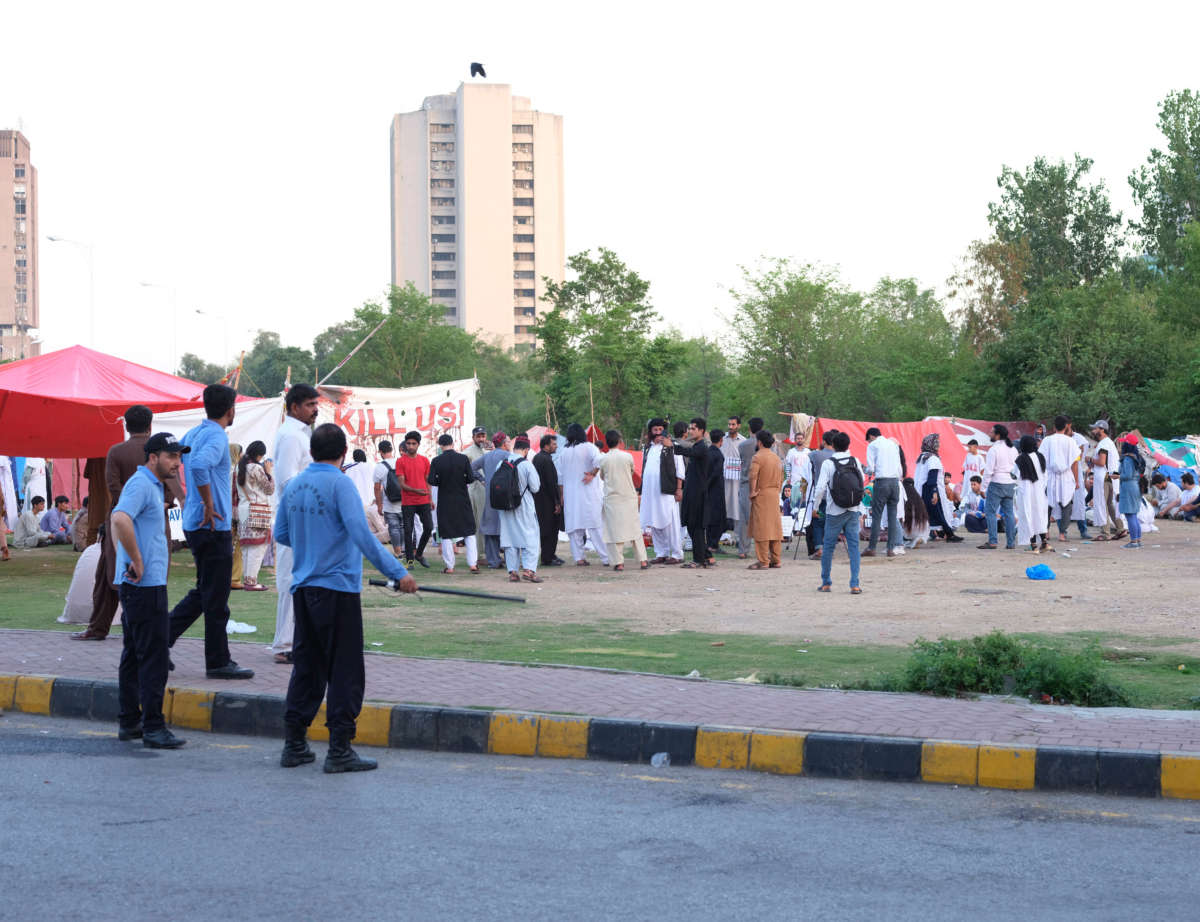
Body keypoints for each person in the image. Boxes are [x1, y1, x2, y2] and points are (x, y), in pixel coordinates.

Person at [275, 423, 417, 773]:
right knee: (345, 670)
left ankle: (294, 744)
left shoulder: (293, 486)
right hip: (337, 590)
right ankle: (339, 749)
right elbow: (364, 538)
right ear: (342, 453)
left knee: (307, 668)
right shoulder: (341, 484)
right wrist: (398, 573)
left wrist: (313, 547)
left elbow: (281, 533)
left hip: (304, 590)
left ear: (312, 450)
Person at [167, 384, 253, 680]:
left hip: (197, 523)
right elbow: (201, 465)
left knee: (207, 592)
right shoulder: (216, 436)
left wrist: (183, 495)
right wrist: (206, 501)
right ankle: (217, 661)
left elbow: (173, 461)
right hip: (212, 525)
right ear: (231, 410)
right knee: (215, 598)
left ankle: (159, 642)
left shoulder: (193, 434)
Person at [75, 406, 183, 641]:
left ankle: (99, 628)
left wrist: (132, 507)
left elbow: (113, 487)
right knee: (155, 578)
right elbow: (174, 488)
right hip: (155, 520)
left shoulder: (117, 452)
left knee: (110, 577)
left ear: (125, 425)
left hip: (121, 519)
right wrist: (159, 504)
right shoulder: (162, 454)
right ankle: (153, 634)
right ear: (150, 425)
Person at [112, 433, 190, 750]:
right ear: (153, 457)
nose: (177, 462)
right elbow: (119, 518)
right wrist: (138, 560)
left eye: (179, 456)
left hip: (141, 586)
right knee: (154, 658)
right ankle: (153, 727)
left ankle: (130, 722)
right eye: (171, 456)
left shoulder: (151, 485)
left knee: (134, 654)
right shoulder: (141, 484)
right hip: (144, 586)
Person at [272, 383, 319, 664]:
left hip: (305, 514)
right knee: (291, 579)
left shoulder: (301, 433)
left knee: (302, 578)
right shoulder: (291, 435)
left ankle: (296, 640)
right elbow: (286, 482)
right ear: (294, 407)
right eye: (310, 405)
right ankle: (284, 644)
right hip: (295, 515)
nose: (315, 409)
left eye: (316, 404)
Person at [811, 431, 864, 592]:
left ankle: (826, 581)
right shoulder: (855, 461)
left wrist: (815, 507)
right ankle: (854, 584)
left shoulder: (829, 463)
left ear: (833, 445)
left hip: (834, 510)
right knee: (854, 547)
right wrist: (860, 508)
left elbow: (820, 488)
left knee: (828, 547)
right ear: (848, 445)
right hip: (853, 509)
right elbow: (861, 483)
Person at [558, 423, 610, 567]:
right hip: (588, 494)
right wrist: (592, 474)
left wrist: (562, 495)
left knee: (574, 528)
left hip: (571, 495)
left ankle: (579, 558)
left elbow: (560, 477)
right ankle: (606, 558)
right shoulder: (590, 447)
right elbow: (600, 462)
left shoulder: (564, 452)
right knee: (595, 526)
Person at [427, 433, 479, 574]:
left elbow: (431, 480)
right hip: (462, 499)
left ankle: (450, 566)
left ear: (441, 445)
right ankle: (473, 564)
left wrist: (441, 481)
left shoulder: (436, 461)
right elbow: (470, 478)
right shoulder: (463, 459)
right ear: (453, 443)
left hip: (445, 500)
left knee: (446, 533)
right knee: (469, 531)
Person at [598, 430, 647, 571]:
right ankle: (643, 560)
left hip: (612, 498)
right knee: (635, 530)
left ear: (607, 443)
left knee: (614, 531)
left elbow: (602, 477)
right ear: (620, 441)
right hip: (628, 497)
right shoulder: (628, 456)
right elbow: (631, 472)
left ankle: (619, 563)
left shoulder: (603, 459)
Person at [498, 435, 543, 583]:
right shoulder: (526, 465)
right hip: (523, 506)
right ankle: (529, 570)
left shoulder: (502, 463)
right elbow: (535, 488)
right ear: (526, 450)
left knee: (510, 538)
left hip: (504, 506)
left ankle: (513, 572)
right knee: (530, 537)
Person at [639, 418, 684, 565]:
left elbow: (680, 470)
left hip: (667, 491)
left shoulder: (673, 446)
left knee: (670, 522)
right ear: (650, 432)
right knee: (654, 521)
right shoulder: (648, 448)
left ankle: (677, 554)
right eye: (655, 430)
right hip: (650, 492)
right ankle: (661, 553)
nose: (658, 433)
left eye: (660, 430)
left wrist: (679, 489)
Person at [236, 440, 274, 591]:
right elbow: (269, 489)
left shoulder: (240, 467)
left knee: (247, 546)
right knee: (258, 547)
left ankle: (248, 580)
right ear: (260, 455)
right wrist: (269, 472)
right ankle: (251, 581)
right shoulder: (256, 468)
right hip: (258, 509)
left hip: (244, 508)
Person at [676, 418, 714, 569]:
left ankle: (698, 560)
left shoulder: (702, 447)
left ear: (702, 431)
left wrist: (673, 446)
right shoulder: (697, 446)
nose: (690, 431)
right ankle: (706, 556)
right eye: (689, 428)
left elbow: (688, 451)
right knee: (692, 526)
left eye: (693, 428)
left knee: (696, 526)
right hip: (692, 491)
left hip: (698, 493)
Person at [471, 431, 510, 569]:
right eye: (509, 442)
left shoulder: (487, 456)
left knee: (490, 529)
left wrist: (483, 479)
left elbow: (471, 468)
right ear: (504, 443)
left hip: (490, 496)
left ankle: (493, 561)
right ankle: (510, 560)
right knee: (508, 528)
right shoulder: (508, 456)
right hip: (506, 497)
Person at [747, 429, 784, 570]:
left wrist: (752, 491)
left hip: (761, 494)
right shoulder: (776, 458)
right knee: (774, 527)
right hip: (774, 494)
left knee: (761, 528)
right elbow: (781, 478)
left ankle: (763, 561)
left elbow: (753, 476)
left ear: (759, 442)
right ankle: (776, 559)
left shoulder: (757, 457)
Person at [863, 427, 903, 558]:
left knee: (876, 516)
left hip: (882, 482)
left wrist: (866, 471)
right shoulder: (893, 444)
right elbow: (899, 466)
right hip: (895, 482)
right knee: (892, 517)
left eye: (868, 440)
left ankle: (872, 547)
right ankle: (890, 549)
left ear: (871, 436)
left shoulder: (873, 445)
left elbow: (870, 468)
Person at [979, 424, 1019, 550]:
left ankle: (993, 541)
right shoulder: (1013, 449)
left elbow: (989, 471)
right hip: (1010, 483)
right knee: (1009, 513)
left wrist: (983, 488)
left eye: (991, 432)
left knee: (990, 512)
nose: (989, 434)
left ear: (997, 435)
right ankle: (1011, 543)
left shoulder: (994, 450)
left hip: (997, 482)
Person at [915, 434, 960, 542]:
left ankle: (948, 534)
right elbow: (932, 477)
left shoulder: (922, 457)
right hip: (931, 489)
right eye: (937, 442)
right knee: (938, 513)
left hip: (924, 489)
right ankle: (948, 534)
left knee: (933, 513)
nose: (938, 444)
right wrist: (934, 493)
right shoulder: (932, 459)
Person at [1040, 415, 1079, 542]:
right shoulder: (1071, 441)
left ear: (1054, 426)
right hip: (1066, 476)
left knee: (1047, 505)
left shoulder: (1047, 440)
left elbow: (1041, 459)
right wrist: (1077, 480)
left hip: (1050, 475)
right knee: (1066, 505)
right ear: (1066, 426)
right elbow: (1074, 463)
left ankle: (1045, 532)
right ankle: (1062, 533)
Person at [1089, 420, 1125, 541]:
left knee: (1102, 504)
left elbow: (1101, 462)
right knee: (1109, 504)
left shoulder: (1104, 444)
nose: (1093, 431)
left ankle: (1105, 532)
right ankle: (1120, 528)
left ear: (1102, 429)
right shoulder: (1109, 442)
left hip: (1103, 477)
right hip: (1110, 477)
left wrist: (1090, 459)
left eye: (1095, 429)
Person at [532, 434, 564, 566]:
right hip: (548, 501)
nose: (556, 446)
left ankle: (549, 555)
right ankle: (548, 557)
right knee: (551, 529)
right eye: (553, 444)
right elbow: (551, 483)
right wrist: (556, 502)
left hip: (539, 499)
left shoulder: (537, 458)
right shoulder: (546, 460)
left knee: (545, 528)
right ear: (546, 445)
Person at [1015, 435, 1051, 554]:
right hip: (1040, 492)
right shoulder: (1040, 457)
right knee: (1040, 516)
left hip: (1026, 492)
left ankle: (1034, 545)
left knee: (1028, 516)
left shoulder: (1021, 459)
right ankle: (1044, 542)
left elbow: (1014, 474)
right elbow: (1045, 474)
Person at [803, 431, 836, 559]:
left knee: (817, 521)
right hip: (835, 497)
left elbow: (806, 475)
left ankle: (820, 548)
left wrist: (803, 492)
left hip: (820, 495)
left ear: (824, 441)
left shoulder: (815, 455)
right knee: (831, 522)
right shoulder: (838, 456)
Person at [735, 417, 764, 559]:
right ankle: (763, 549)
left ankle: (743, 550)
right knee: (762, 518)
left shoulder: (742, 445)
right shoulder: (768, 445)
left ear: (749, 429)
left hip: (746, 484)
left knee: (745, 519)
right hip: (762, 485)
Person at [374, 440, 405, 558]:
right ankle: (403, 549)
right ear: (392, 450)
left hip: (389, 503)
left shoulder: (379, 467)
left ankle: (398, 552)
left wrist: (379, 505)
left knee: (393, 528)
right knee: (403, 526)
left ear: (380, 452)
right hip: (405, 501)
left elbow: (377, 488)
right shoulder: (401, 462)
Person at [721, 416, 748, 543]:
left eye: (733, 424)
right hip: (723, 480)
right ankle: (720, 536)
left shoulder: (743, 441)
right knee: (721, 508)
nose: (731, 427)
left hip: (737, 481)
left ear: (739, 426)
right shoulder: (722, 439)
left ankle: (738, 539)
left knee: (737, 509)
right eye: (729, 424)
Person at [1118, 436, 1145, 549]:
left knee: (1130, 515)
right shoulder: (1137, 458)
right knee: (1133, 514)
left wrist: (1117, 476)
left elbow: (1127, 475)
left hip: (1128, 487)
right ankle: (1137, 539)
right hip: (1135, 486)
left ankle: (1134, 541)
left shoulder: (1128, 459)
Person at [1065, 421, 1092, 539]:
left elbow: (1079, 457)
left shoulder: (1079, 438)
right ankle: (1063, 531)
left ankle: (1083, 530)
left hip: (1076, 472)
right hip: (1063, 473)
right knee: (1062, 503)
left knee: (1079, 502)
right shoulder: (1059, 438)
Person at [705, 429, 729, 554]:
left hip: (707, 490)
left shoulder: (708, 452)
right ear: (721, 440)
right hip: (716, 490)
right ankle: (713, 544)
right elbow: (715, 474)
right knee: (718, 519)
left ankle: (710, 542)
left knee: (710, 518)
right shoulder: (718, 455)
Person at [463, 426, 490, 533]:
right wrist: (480, 479)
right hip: (475, 490)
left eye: (483, 436)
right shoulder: (467, 452)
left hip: (488, 490)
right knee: (478, 521)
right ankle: (479, 549)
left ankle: (487, 548)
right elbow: (466, 470)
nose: (481, 439)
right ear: (473, 438)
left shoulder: (488, 450)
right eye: (478, 436)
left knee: (487, 520)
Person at [229, 443, 244, 590]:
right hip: (236, 511)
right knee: (238, 545)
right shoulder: (237, 470)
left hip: (225, 511)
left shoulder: (223, 469)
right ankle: (234, 578)